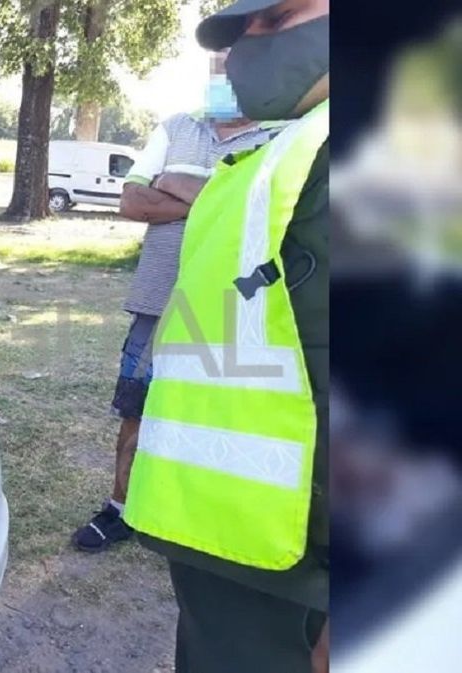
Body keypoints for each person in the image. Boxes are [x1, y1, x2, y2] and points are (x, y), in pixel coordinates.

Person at [122, 1, 329, 672]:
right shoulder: (286, 144)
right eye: (242, 31)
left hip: (286, 546)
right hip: (234, 534)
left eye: (277, 19)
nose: (247, 48)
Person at [71, 52, 277, 553]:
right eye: (217, 67)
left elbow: (267, 213)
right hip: (158, 302)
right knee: (136, 407)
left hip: (234, 304)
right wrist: (223, 197)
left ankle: (196, 516)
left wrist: (176, 185)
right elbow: (131, 201)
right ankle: (121, 509)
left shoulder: (279, 138)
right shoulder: (177, 127)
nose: (225, 76)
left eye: (236, 66)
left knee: (216, 413)